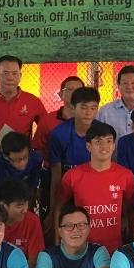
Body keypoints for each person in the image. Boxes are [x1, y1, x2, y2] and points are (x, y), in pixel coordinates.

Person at [56, 121, 134, 252]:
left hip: (114, 251)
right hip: (81, 251)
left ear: (114, 145)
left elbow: (131, 210)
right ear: (88, 146)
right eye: (98, 142)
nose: (104, 146)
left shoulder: (126, 176)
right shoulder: (73, 176)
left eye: (109, 141)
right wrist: (58, 241)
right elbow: (59, 209)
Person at [45, 87, 101, 216]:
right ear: (73, 108)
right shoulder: (59, 134)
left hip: (94, 189)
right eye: (83, 107)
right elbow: (56, 176)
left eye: (93, 108)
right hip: (67, 190)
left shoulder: (102, 133)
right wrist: (53, 210)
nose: (88, 112)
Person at [0, 55, 44, 147]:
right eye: (5, 73)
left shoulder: (33, 101)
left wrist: (34, 144)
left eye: (14, 73)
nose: (10, 78)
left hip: (23, 158)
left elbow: (46, 127)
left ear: (20, 76)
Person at [33, 75, 82, 160]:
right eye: (70, 90)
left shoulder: (90, 120)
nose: (75, 93)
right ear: (60, 95)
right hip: (52, 170)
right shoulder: (47, 120)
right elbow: (38, 150)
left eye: (79, 90)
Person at [0, 179, 44, 268]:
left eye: (26, 204)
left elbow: (34, 261)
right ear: (3, 206)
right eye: (19, 206)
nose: (25, 210)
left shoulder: (32, 221)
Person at [0, 131, 43, 205]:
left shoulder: (36, 160)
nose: (23, 163)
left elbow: (32, 186)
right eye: (18, 160)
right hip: (4, 197)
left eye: (25, 157)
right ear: (6, 157)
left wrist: (28, 207)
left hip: (23, 195)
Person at [96, 64, 134, 141]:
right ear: (118, 86)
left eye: (133, 83)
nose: (129, 87)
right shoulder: (105, 112)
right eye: (125, 83)